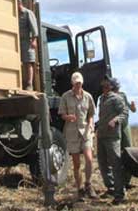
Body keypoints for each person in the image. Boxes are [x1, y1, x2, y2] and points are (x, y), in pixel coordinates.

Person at [58, 71, 96, 200]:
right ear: (72, 84)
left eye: (79, 83)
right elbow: (62, 114)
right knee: (76, 163)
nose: (78, 85)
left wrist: (90, 124)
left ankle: (88, 184)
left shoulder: (88, 97)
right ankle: (80, 189)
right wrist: (67, 117)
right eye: (76, 83)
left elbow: (91, 113)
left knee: (89, 159)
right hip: (72, 132)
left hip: (85, 131)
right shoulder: (65, 96)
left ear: (82, 82)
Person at [95, 77, 129, 203]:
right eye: (103, 83)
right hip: (102, 135)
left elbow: (124, 112)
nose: (103, 84)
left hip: (112, 137)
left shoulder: (116, 98)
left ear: (110, 86)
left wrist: (116, 120)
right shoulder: (101, 99)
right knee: (103, 163)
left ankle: (120, 194)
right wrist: (97, 124)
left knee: (115, 164)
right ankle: (111, 188)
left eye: (106, 83)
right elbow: (104, 116)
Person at [17, 0, 38, 91]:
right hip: (18, 41)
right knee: (21, 62)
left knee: (28, 62)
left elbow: (34, 28)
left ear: (19, 3)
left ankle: (29, 84)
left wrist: (34, 40)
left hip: (27, 41)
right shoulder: (16, 15)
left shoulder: (28, 13)